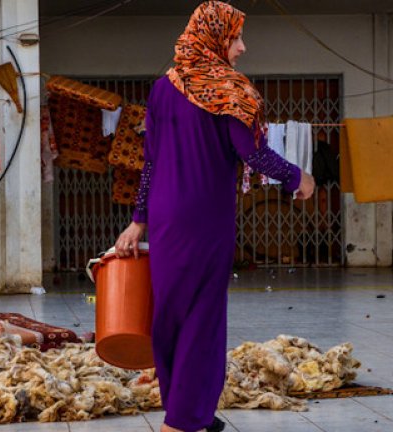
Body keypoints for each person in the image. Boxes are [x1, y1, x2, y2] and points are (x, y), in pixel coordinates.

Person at [114, 2, 315, 431]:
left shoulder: (162, 88)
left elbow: (149, 163)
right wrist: (298, 177)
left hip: (167, 218)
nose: (242, 48)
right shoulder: (229, 90)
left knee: (171, 314)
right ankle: (183, 421)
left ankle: (192, 413)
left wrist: (138, 220)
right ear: (215, 38)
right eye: (235, 38)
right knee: (202, 319)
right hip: (205, 218)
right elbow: (253, 153)